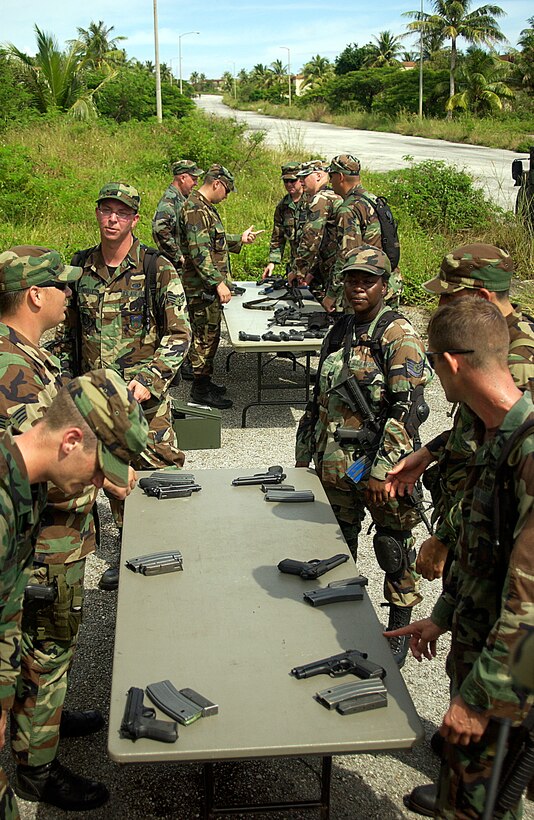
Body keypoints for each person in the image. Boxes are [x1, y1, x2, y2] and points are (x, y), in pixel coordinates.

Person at [0, 244, 139, 813]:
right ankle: (36, 767)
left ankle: (43, 721)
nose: (68, 297)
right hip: (45, 542)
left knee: (47, 651)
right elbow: (45, 463)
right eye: (60, 287)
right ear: (35, 295)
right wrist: (103, 479)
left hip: (53, 537)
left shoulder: (26, 354)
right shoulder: (14, 368)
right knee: (43, 650)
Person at [385, 298, 534, 819]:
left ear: (450, 364)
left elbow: (529, 601)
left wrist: (477, 699)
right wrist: (442, 617)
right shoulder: (495, 436)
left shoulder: (527, 452)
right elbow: (480, 553)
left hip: (506, 678)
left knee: (479, 809)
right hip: (482, 655)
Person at [295, 245, 432, 664]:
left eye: (367, 281)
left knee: (392, 546)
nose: (357, 288)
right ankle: (342, 619)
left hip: (379, 468)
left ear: (384, 287)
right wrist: (303, 456)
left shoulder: (399, 336)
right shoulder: (339, 332)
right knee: (337, 545)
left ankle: (397, 627)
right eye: (352, 279)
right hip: (335, 467)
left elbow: (406, 411)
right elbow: (318, 400)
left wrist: (382, 470)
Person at [53, 182, 191, 589]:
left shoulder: (156, 267)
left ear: (133, 218)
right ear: (98, 214)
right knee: (115, 476)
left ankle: (173, 547)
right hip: (96, 403)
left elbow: (180, 334)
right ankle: (133, 549)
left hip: (144, 405)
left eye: (121, 212)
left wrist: (150, 380)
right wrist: (66, 387)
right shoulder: (79, 270)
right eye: (106, 210)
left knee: (162, 472)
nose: (112, 218)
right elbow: (66, 337)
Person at [387, 245, 534, 586]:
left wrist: (446, 538)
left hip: (486, 528)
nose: (440, 306)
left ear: (482, 296)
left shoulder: (519, 363)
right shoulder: (508, 332)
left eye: (449, 297)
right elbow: (473, 425)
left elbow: (496, 466)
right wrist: (430, 452)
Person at [179, 163, 261, 409]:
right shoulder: (194, 209)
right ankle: (200, 389)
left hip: (205, 287)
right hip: (201, 288)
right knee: (205, 338)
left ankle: (204, 381)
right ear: (217, 183)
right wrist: (218, 283)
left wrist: (239, 240)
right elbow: (199, 252)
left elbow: (213, 241)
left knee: (210, 336)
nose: (226, 197)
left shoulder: (203, 208)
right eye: (226, 191)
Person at [324, 153, 402, 312]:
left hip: (365, 289)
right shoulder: (373, 200)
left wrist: (332, 294)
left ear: (340, 177)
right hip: (387, 281)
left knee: (361, 333)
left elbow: (347, 254)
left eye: (331, 176)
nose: (330, 182)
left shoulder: (349, 208)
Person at [289, 159, 341, 298]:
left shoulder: (321, 199)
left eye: (304, 177)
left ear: (318, 176)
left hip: (337, 268)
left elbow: (311, 239)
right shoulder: (334, 195)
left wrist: (297, 270)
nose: (300, 182)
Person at [151, 159, 204, 272]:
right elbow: (159, 228)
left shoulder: (182, 198)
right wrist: (178, 256)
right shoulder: (170, 200)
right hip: (176, 269)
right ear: (182, 178)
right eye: (194, 179)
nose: (196, 183)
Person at [262, 161, 304, 280]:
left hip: (315, 265)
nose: (289, 184)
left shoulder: (313, 202)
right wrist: (272, 262)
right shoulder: (283, 206)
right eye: (286, 181)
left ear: (301, 179)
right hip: (295, 265)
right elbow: (278, 237)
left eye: (293, 181)